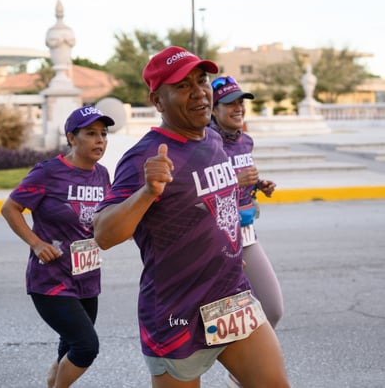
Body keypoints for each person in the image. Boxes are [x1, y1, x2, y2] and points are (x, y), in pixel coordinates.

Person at [93, 46, 290, 388]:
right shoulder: (144, 157)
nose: (199, 91)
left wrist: (226, 254)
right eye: (182, 86)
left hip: (231, 298)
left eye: (201, 80)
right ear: (157, 100)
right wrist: (147, 192)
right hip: (176, 313)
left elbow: (219, 209)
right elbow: (104, 234)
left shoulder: (213, 139)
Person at [1, 105, 115, 388]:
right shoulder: (48, 173)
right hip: (51, 281)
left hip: (87, 277)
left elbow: (107, 219)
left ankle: (53, 382)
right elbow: (10, 208)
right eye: (91, 133)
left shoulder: (102, 175)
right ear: (72, 138)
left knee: (70, 347)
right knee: (86, 346)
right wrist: (36, 243)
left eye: (103, 133)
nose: (100, 140)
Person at [210, 76, 284, 388]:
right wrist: (235, 181)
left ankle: (237, 374)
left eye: (241, 101)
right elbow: (201, 193)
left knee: (272, 308)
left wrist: (257, 184)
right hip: (218, 240)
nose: (238, 108)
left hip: (248, 234)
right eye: (230, 103)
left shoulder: (245, 140)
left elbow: (242, 179)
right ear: (214, 109)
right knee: (214, 320)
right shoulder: (207, 144)